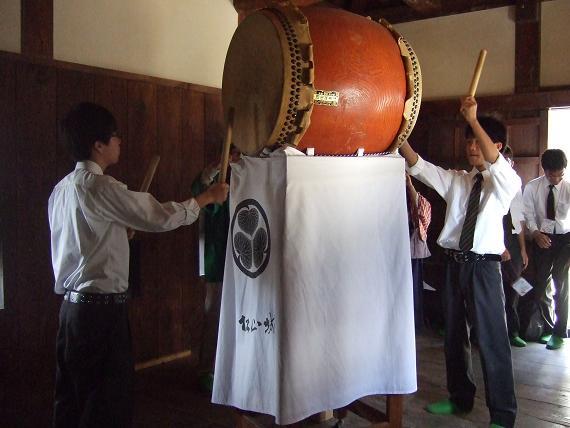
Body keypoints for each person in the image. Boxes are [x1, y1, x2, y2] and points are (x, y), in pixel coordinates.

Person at [48, 102, 229, 427]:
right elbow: (159, 216)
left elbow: (84, 243)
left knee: (71, 402)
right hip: (100, 315)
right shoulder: (101, 187)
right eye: (115, 136)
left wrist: (118, 233)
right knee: (105, 405)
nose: (120, 141)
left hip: (71, 313)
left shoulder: (61, 190)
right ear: (98, 145)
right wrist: (207, 198)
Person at [399, 96, 520, 428]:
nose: (471, 147)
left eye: (478, 141)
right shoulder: (458, 180)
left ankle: (503, 415)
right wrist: (400, 134)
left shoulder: (505, 183)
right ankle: (459, 398)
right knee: (453, 334)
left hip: (484, 267)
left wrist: (474, 120)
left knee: (492, 339)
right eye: (468, 141)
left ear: (496, 146)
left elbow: (497, 165)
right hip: (454, 264)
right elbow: (419, 166)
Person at [191, 145, 240, 392]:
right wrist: (214, 170)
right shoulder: (218, 181)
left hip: (245, 259)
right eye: (234, 154)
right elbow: (200, 192)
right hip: (220, 258)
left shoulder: (253, 178)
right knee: (215, 314)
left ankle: (236, 368)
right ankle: (208, 370)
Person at [522, 148, 570, 350]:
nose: (556, 179)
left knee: (561, 282)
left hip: (565, 239)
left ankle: (560, 332)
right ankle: (547, 327)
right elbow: (527, 214)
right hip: (541, 237)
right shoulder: (532, 187)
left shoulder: (568, 188)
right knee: (541, 282)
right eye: (552, 175)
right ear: (544, 170)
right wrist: (535, 234)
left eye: (560, 175)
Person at [501, 146, 529, 347]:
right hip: (492, 241)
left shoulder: (515, 184)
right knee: (494, 290)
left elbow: (518, 219)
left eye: (508, 160)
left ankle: (513, 331)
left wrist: (523, 249)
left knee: (516, 287)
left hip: (512, 240)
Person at [406, 173, 431, 330]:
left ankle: (414, 324)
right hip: (396, 249)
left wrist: (410, 187)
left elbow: (420, 221)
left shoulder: (421, 201)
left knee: (413, 287)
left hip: (412, 251)